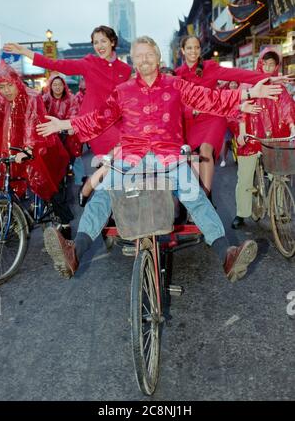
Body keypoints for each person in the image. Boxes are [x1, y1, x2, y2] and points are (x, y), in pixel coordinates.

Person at [35, 36, 282, 283]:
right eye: (139, 55)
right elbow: (98, 118)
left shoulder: (176, 84)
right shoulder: (122, 92)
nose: (144, 59)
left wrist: (248, 92)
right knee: (103, 194)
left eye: (149, 54)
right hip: (131, 157)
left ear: (158, 57)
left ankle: (227, 254)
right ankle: (74, 252)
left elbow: (210, 98)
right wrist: (64, 124)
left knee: (194, 196)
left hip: (169, 157)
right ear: (132, 60)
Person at [175, 35, 291, 201]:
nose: (193, 51)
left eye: (197, 47)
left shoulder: (210, 67)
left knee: (205, 150)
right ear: (182, 51)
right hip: (191, 121)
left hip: (213, 117)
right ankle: (197, 195)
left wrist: (269, 78)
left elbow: (238, 74)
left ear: (200, 50)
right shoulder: (177, 74)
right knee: (192, 159)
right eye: (189, 48)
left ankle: (205, 199)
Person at [3, 25, 132, 158]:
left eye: (103, 41)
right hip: (94, 125)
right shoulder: (89, 64)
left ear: (112, 42)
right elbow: (55, 64)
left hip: (119, 124)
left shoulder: (126, 69)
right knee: (111, 165)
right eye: (95, 42)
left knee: (118, 166)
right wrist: (25, 51)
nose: (99, 46)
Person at [0, 63, 73, 235]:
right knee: (9, 182)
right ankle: (18, 216)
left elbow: (33, 123)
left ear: (17, 82)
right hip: (16, 150)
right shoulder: (0, 101)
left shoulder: (32, 97)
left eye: (10, 85)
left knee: (50, 187)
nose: (6, 90)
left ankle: (66, 227)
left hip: (43, 147)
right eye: (1, 86)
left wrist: (29, 149)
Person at [231, 48, 295, 229]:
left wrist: (292, 128)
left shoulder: (279, 88)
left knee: (278, 175)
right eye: (265, 63)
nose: (268, 67)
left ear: (276, 66)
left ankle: (280, 208)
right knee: (244, 176)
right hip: (251, 136)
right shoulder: (249, 84)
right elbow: (241, 110)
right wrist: (242, 131)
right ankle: (241, 213)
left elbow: (287, 108)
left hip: (273, 138)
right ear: (260, 63)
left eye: (272, 64)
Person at [43, 73, 82, 159]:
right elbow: (41, 114)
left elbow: (74, 113)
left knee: (76, 162)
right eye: (55, 84)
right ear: (51, 86)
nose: (57, 87)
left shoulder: (72, 98)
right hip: (51, 135)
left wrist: (70, 127)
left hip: (68, 134)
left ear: (64, 86)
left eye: (60, 84)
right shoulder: (45, 99)